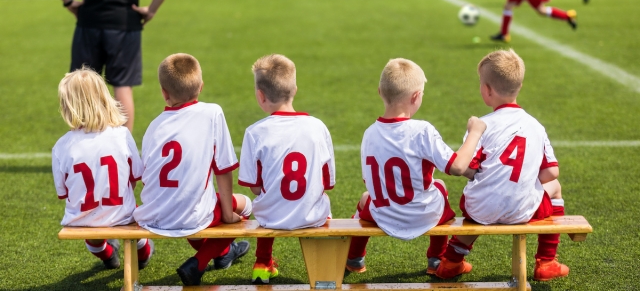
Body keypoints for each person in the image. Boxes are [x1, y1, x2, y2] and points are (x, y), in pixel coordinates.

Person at [435, 50, 569, 282]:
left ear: (487, 90)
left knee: (482, 202)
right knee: (555, 186)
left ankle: (451, 262)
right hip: (523, 210)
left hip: (479, 209)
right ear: (519, 86)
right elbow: (551, 173)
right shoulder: (535, 126)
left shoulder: (482, 124)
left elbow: (467, 168)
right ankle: (547, 261)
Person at [345, 58, 487, 274]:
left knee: (366, 198)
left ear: (380, 92)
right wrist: (475, 132)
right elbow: (457, 167)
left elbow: (370, 182)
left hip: (384, 215)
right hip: (423, 215)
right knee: (440, 186)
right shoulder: (422, 130)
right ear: (415, 96)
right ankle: (436, 260)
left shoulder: (369, 133)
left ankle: (354, 259)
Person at [132, 54, 252, 286]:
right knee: (245, 205)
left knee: (195, 204)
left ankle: (224, 252)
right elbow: (223, 169)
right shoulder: (212, 113)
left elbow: (146, 175)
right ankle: (200, 260)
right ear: (201, 86)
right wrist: (227, 215)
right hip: (191, 215)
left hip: (153, 215)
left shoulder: (153, 126)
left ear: (164, 92)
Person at [45, 0, 175, 133]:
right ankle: (122, 153)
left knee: (81, 87)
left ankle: (81, 152)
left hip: (89, 21)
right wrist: (151, 10)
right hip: (125, 22)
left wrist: (69, 2)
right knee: (122, 87)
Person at [238, 54, 336, 284]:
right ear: (295, 90)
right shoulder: (317, 127)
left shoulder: (255, 131)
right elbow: (327, 183)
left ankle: (262, 264)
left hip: (269, 216)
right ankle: (323, 270)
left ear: (260, 96)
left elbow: (254, 187)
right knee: (324, 207)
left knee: (265, 200)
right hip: (312, 216)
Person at [52, 68, 153, 271]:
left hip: (81, 220)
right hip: (122, 213)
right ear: (104, 98)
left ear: (67, 106)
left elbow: (63, 192)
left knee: (92, 237)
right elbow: (136, 177)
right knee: (137, 231)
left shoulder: (62, 146)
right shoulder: (122, 134)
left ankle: (108, 256)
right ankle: (144, 254)